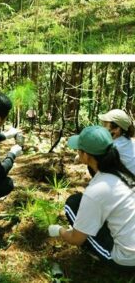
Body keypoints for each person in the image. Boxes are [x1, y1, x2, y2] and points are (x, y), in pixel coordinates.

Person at [47, 126, 135, 269]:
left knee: (72, 204)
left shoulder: (96, 190)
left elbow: (76, 239)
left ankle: (99, 256)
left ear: (86, 156)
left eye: (79, 150)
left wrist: (59, 231)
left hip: (127, 258)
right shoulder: (124, 173)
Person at [99, 109, 135, 175]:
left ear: (117, 129)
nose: (103, 127)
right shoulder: (130, 141)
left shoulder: (115, 147)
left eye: (105, 125)